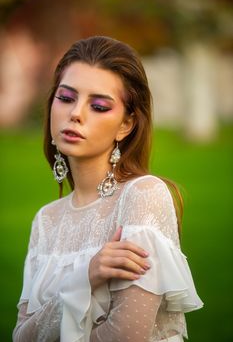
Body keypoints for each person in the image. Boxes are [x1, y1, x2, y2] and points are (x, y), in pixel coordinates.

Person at [13, 36, 203, 342]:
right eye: (65, 98)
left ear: (125, 125)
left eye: (99, 106)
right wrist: (85, 277)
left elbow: (126, 336)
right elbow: (21, 336)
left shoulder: (143, 196)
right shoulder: (46, 221)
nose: (76, 113)